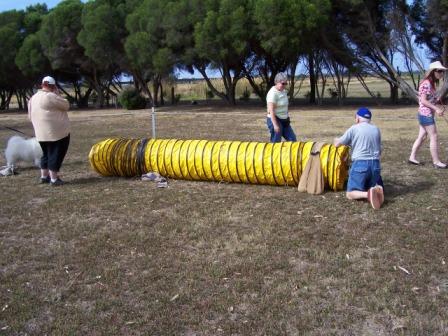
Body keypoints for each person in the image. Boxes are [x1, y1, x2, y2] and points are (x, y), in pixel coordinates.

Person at [334, 107, 384, 209]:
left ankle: (368, 195)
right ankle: (376, 188)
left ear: (357, 118)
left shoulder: (354, 128)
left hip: (360, 164)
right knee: (368, 184)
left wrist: (336, 139)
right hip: (375, 165)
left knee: (350, 193)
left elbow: (337, 144)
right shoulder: (376, 129)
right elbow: (380, 150)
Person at [28, 76, 70, 186]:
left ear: (42, 84)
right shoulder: (51, 96)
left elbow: (30, 115)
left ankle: (44, 176)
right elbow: (66, 105)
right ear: (53, 86)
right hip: (56, 133)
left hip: (41, 133)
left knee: (45, 154)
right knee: (55, 154)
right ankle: (54, 179)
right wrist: (57, 94)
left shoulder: (33, 98)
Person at [409, 61, 447, 168]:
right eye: (439, 71)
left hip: (424, 113)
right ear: (433, 72)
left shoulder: (431, 83)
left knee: (422, 136)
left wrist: (436, 100)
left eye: (442, 71)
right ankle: (436, 162)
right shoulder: (426, 83)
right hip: (425, 114)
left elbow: (427, 99)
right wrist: (436, 108)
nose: (441, 73)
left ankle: (412, 157)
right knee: (433, 136)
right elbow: (423, 101)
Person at [266, 72, 297, 143]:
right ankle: (273, 154)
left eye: (285, 84)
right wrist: (275, 125)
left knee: (292, 139)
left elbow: (284, 106)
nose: (284, 85)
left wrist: (286, 117)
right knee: (276, 142)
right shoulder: (272, 93)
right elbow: (271, 110)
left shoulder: (283, 91)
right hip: (275, 119)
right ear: (277, 82)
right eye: (283, 83)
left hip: (284, 120)